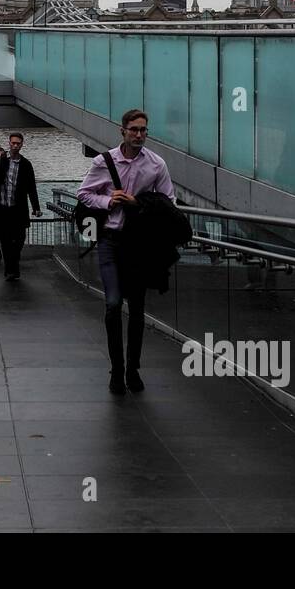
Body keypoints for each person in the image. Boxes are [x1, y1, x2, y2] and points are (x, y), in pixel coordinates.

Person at [75, 109, 175, 395]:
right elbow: (84, 194)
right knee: (113, 304)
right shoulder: (103, 162)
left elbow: (168, 202)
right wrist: (108, 201)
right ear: (123, 131)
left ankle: (133, 369)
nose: (139, 134)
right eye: (134, 129)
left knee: (138, 309)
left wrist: (137, 203)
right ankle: (117, 370)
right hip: (110, 240)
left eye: (143, 130)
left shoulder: (156, 164)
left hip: (138, 244)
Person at [0, 133, 41, 281]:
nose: (15, 145)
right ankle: (11, 270)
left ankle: (13, 263)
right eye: (13, 143)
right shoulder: (0, 161)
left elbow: (31, 187)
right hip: (2, 208)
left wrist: (35, 206)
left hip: (18, 209)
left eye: (18, 143)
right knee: (5, 241)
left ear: (22, 144)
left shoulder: (26, 165)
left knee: (19, 239)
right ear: (9, 143)